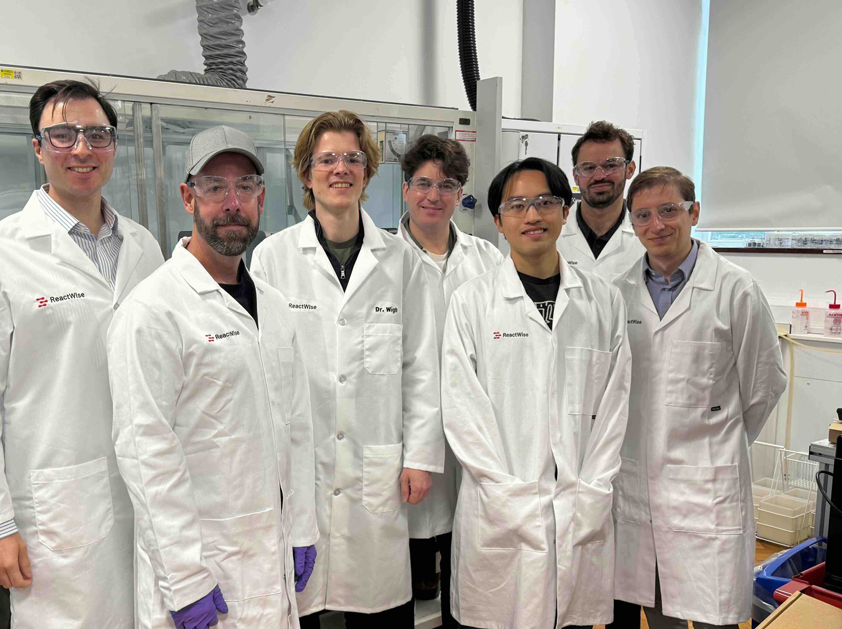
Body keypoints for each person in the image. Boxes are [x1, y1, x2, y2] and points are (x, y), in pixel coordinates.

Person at [0, 79, 164, 628]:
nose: (81, 149)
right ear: (38, 148)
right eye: (62, 135)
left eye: (96, 135)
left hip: (149, 497)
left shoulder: (145, 247)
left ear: (113, 146)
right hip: (58, 509)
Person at [107, 125, 318, 629]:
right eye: (215, 187)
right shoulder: (152, 310)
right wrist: (184, 580)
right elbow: (146, 452)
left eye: (244, 187)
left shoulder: (274, 305)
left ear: (261, 198)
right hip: (203, 568)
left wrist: (303, 526)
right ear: (188, 197)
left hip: (271, 551)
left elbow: (298, 426)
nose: (232, 202)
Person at [251, 110, 442, 628]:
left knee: (378, 608)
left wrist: (421, 455)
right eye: (327, 159)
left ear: (368, 170)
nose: (341, 168)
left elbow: (422, 363)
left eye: (352, 158)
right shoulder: (272, 258)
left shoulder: (402, 262)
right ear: (307, 172)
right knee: (299, 606)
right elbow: (262, 370)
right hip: (300, 465)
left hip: (374, 463)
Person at [442, 157, 631, 629]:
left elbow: (615, 405)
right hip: (500, 504)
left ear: (565, 212)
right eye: (518, 205)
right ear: (500, 222)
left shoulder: (602, 299)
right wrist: (505, 493)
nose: (533, 215)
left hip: (578, 503)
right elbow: (462, 409)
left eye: (546, 202)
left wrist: (593, 485)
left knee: (568, 619)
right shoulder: (472, 301)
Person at [608, 167, 788, 629]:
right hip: (638, 481)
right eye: (643, 215)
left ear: (695, 213)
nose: (657, 225)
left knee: (715, 614)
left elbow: (764, 384)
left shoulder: (735, 289)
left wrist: (717, 443)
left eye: (669, 210)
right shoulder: (618, 295)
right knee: (657, 606)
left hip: (709, 486)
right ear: (632, 222)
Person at [396, 134, 504, 624]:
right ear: (405, 190)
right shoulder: (381, 259)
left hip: (476, 439)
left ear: (461, 192)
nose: (433, 196)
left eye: (446, 185)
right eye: (422, 183)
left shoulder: (488, 261)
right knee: (408, 581)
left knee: (469, 563)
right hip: (403, 442)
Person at [557, 121, 646, 279]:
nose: (599, 176)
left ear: (630, 169)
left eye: (611, 165)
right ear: (576, 176)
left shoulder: (648, 236)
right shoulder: (553, 234)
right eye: (588, 168)